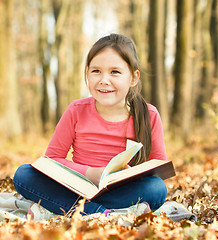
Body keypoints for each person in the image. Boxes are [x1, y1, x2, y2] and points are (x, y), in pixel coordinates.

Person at [13, 33, 167, 218]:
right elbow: (52, 158)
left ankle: (67, 209)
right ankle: (104, 214)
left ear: (133, 78)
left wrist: (130, 175)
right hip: (76, 187)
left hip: (120, 191)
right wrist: (91, 173)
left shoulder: (148, 115)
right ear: (87, 74)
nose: (104, 80)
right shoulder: (76, 110)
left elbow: (158, 169)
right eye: (96, 71)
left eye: (115, 72)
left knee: (156, 188)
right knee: (24, 174)